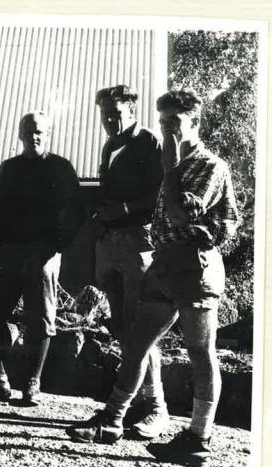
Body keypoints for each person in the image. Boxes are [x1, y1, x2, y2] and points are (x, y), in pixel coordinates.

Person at [66, 89, 239, 467]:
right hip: (163, 265)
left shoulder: (208, 165)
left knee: (200, 351)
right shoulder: (169, 161)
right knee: (137, 340)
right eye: (163, 123)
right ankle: (111, 420)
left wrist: (171, 169)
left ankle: (198, 436)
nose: (167, 130)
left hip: (196, 268)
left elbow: (180, 217)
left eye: (174, 123)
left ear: (195, 124)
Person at [0, 111, 82, 403]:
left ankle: (32, 383)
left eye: (39, 131)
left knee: (41, 318)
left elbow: (76, 213)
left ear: (48, 133)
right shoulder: (10, 168)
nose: (34, 136)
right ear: (20, 134)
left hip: (43, 252)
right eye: (28, 131)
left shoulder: (61, 168)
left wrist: (55, 246)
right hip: (9, 250)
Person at [92, 85, 169, 438]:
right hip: (112, 244)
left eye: (117, 114)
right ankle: (135, 398)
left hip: (139, 242)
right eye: (106, 114)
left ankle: (156, 407)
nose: (110, 120)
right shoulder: (110, 146)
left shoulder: (149, 142)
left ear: (132, 111)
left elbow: (158, 194)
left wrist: (124, 210)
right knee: (122, 328)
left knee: (142, 330)